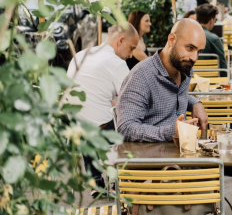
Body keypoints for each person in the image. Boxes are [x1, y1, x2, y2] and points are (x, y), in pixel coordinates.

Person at [67, 24, 139, 197]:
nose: (130, 55)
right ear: (120, 40)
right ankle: (116, 183)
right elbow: (132, 97)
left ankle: (96, 183)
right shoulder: (115, 62)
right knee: (130, 122)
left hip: (75, 125)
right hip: (102, 128)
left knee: (88, 117)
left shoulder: (81, 54)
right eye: (131, 48)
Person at [116, 19, 209, 142]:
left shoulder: (184, 69)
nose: (194, 58)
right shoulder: (141, 75)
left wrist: (195, 104)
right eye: (190, 48)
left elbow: (173, 94)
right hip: (151, 157)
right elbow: (125, 129)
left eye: (199, 52)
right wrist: (173, 131)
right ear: (172, 40)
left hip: (181, 153)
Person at [196, 4, 232, 89]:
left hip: (193, 83)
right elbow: (223, 69)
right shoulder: (214, 39)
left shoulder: (188, 36)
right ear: (211, 20)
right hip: (214, 85)